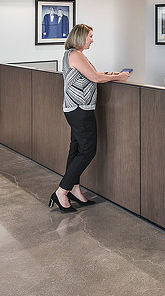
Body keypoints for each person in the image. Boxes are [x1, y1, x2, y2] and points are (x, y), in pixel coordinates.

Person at [49, 24, 130, 213]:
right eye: (90, 36)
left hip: (75, 108)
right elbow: (94, 77)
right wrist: (117, 77)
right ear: (80, 37)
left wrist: (113, 74)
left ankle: (73, 188)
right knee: (88, 150)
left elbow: (90, 75)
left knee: (76, 149)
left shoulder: (74, 54)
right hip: (80, 109)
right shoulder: (75, 54)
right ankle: (61, 191)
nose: (92, 39)